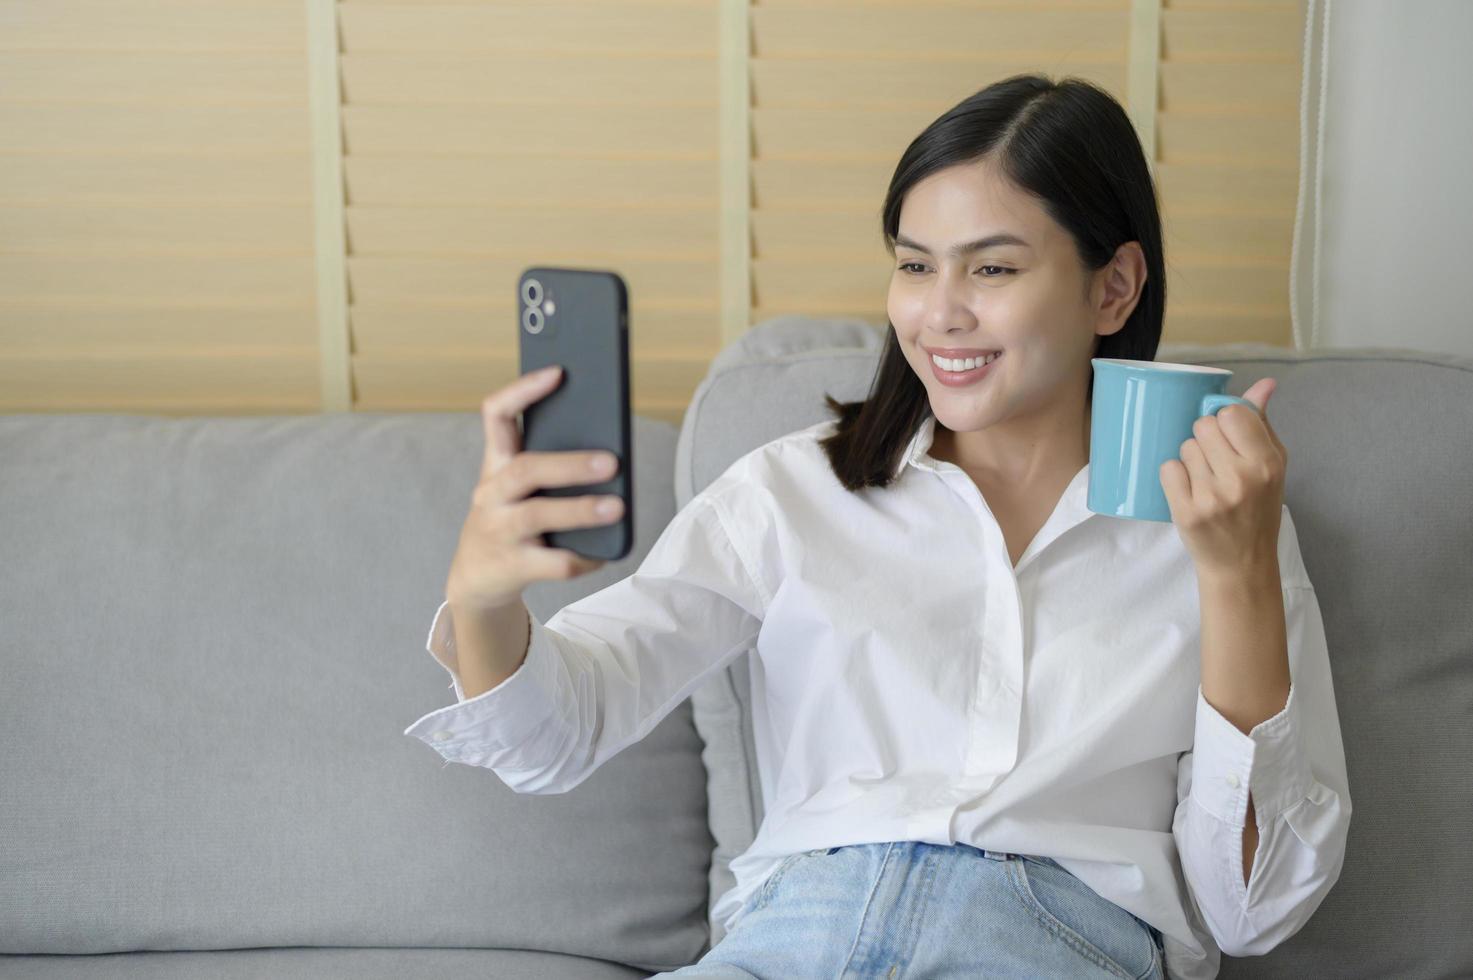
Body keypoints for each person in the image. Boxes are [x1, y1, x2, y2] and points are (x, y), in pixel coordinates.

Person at [404, 74, 1351, 980]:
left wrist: (1235, 577)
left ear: (1112, 288)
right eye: (912, 264)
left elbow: (1249, 910)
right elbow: (553, 737)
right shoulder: (791, 491)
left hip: (1055, 941)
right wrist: (484, 596)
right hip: (797, 934)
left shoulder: (1218, 523)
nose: (938, 313)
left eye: (991, 267)